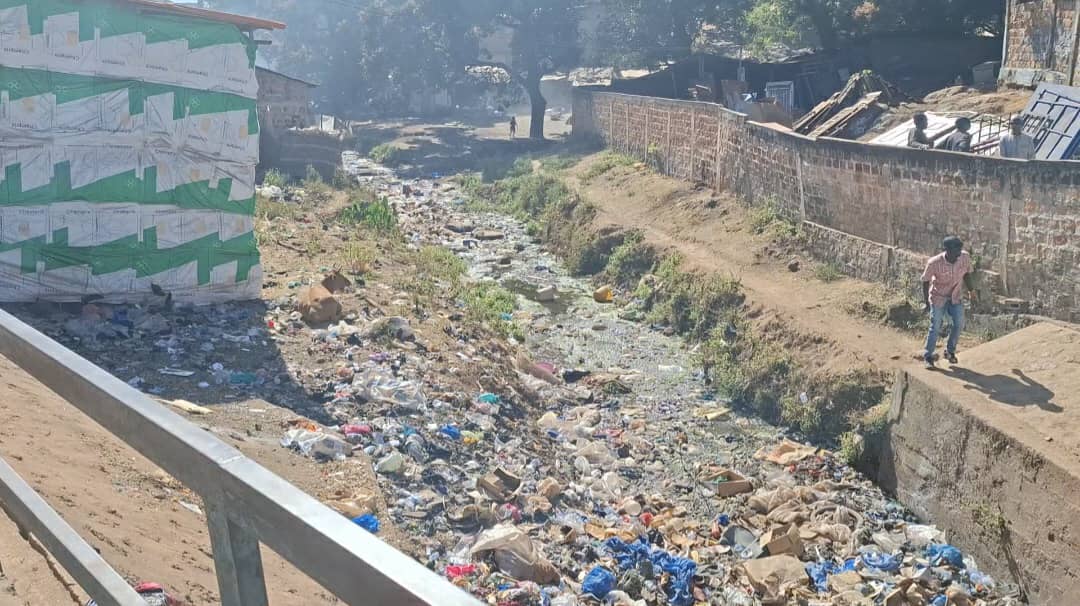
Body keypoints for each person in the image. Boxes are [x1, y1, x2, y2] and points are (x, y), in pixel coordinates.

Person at [920, 236, 977, 369]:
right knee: (935, 326)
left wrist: (971, 290)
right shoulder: (934, 263)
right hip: (938, 297)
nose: (958, 253)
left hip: (955, 296)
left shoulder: (964, 257)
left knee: (959, 323)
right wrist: (926, 303)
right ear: (947, 250)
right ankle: (928, 356)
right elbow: (925, 281)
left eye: (959, 249)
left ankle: (950, 351)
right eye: (956, 250)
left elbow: (967, 273)